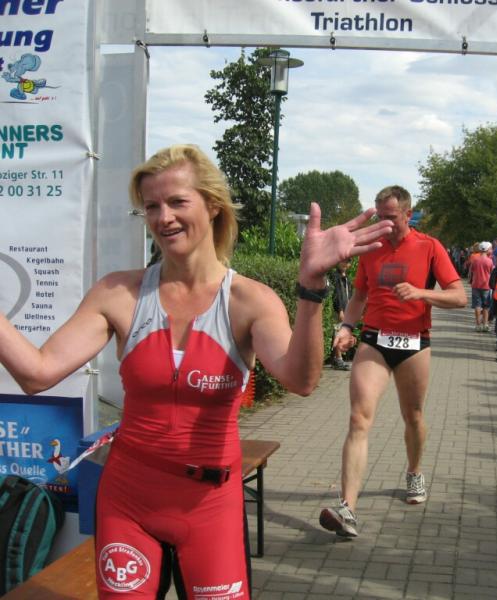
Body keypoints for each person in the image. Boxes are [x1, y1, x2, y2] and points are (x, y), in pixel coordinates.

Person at [0, 145, 392, 599]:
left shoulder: (249, 300)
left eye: (177, 202)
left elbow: (300, 380)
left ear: (213, 205)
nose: (163, 217)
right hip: (128, 500)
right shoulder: (119, 292)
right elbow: (37, 373)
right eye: (151, 206)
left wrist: (311, 288)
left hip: (210, 506)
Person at [319, 185, 466, 538]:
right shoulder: (371, 248)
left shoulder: (429, 247)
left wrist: (421, 293)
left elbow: (459, 296)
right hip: (375, 340)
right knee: (358, 417)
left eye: (390, 217)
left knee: (413, 416)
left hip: (415, 343)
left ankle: (414, 472)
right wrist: (346, 327)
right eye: (379, 217)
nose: (383, 224)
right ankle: (347, 509)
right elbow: (359, 295)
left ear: (408, 214)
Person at [330, 259, 354, 370]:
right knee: (337, 331)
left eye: (347, 262)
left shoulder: (347, 279)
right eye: (343, 261)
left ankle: (336, 359)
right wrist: (339, 310)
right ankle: (339, 359)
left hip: (346, 309)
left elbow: (350, 295)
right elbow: (336, 295)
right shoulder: (335, 277)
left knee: (340, 332)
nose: (345, 264)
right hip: (338, 310)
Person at [469, 241, 494, 332]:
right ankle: (485, 324)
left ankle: (478, 325)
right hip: (486, 286)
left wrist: (470, 280)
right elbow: (491, 272)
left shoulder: (475, 260)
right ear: (487, 250)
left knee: (477, 305)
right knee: (486, 306)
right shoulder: (490, 261)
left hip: (475, 285)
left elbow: (471, 271)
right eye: (490, 248)